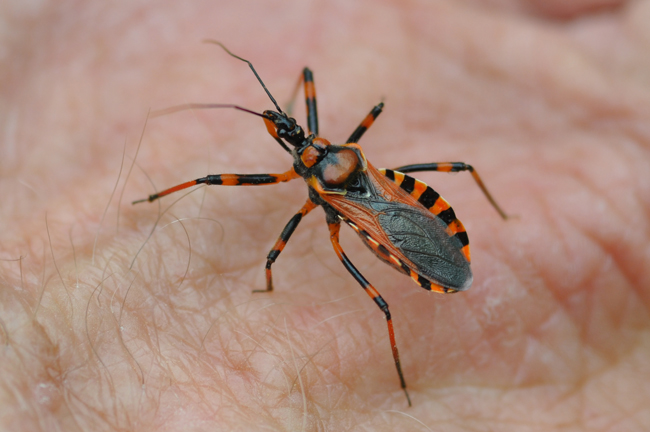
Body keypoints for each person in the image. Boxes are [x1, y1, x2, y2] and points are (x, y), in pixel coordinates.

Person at [1, 1, 648, 430]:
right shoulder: (323, 158)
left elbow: (277, 229)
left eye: (291, 129)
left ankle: (393, 356)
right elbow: (347, 94)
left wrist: (269, 268)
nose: (290, 132)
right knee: (448, 178)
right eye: (289, 129)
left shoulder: (310, 177)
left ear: (299, 144)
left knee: (368, 288)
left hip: (363, 206)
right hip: (383, 199)